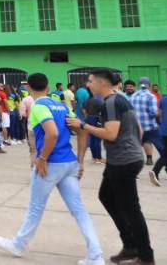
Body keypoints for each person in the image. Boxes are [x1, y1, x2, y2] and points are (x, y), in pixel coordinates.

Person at [0, 72, 103, 265]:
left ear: (28, 87)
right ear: (48, 86)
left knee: (35, 208)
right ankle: (95, 255)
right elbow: (81, 130)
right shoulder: (61, 106)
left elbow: (51, 133)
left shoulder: (39, 106)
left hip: (51, 164)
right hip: (69, 163)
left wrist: (42, 158)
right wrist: (80, 161)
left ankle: (18, 244)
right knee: (79, 210)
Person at [67, 68, 153, 265]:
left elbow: (111, 134)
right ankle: (130, 246)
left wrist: (82, 125)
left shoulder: (111, 102)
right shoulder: (120, 98)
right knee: (106, 196)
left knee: (131, 209)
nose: (88, 85)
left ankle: (145, 256)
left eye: (90, 81)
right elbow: (139, 130)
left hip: (123, 161)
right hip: (123, 158)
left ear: (102, 83)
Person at [130, 77, 162, 166]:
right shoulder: (151, 96)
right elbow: (154, 113)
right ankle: (152, 160)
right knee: (161, 146)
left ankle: (135, 162)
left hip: (137, 126)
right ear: (150, 85)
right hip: (150, 126)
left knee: (136, 144)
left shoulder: (133, 96)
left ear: (138, 85)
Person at [150, 88, 167, 185]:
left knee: (166, 154)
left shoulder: (163, 99)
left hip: (164, 130)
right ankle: (155, 170)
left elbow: (159, 114)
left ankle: (155, 171)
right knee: (166, 155)